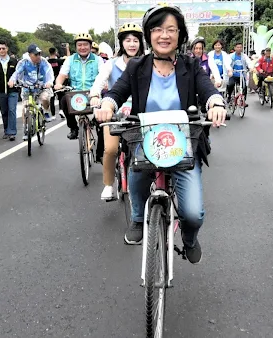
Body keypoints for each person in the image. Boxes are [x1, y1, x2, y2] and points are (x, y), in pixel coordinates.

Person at [95, 4, 226, 264]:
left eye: (170, 29)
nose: (164, 35)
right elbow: (117, 91)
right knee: (136, 174)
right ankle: (137, 218)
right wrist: (107, 105)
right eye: (157, 29)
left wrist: (216, 103)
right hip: (146, 140)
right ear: (149, 34)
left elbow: (207, 88)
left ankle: (189, 239)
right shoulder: (137, 66)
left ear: (180, 35)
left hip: (184, 145)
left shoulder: (190, 65)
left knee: (193, 213)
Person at [89, 23, 145, 201]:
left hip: (139, 114)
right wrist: (95, 96)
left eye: (135, 40)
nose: (132, 44)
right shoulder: (111, 64)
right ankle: (108, 185)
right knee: (111, 149)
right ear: (122, 44)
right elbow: (99, 82)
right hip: (114, 113)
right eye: (128, 40)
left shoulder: (147, 62)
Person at [54, 33, 104, 140]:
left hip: (93, 94)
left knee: (101, 123)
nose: (82, 47)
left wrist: (105, 85)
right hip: (75, 94)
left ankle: (100, 150)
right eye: (79, 45)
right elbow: (62, 75)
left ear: (90, 46)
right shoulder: (70, 59)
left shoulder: (98, 60)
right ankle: (73, 128)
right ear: (76, 47)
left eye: (85, 45)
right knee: (63, 101)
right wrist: (58, 83)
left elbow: (103, 75)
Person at [8, 44, 55, 140]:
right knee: (25, 107)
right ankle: (26, 128)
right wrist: (12, 80)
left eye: (39, 54)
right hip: (27, 87)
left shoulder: (43, 62)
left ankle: (46, 112)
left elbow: (49, 72)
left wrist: (49, 82)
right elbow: (17, 73)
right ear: (30, 55)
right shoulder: (24, 62)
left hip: (42, 86)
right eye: (36, 54)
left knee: (44, 98)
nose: (38, 56)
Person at [0, 40, 20, 141]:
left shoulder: (14, 62)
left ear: (7, 49)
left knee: (12, 110)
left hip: (13, 90)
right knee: (4, 111)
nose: (1, 50)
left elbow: (19, 74)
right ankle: (6, 130)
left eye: (3, 48)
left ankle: (12, 132)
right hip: (1, 91)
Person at [47, 47, 66, 120]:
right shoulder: (58, 61)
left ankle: (53, 114)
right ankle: (61, 110)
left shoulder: (47, 62)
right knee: (61, 96)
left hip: (50, 80)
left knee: (52, 97)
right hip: (58, 79)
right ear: (55, 52)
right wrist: (67, 49)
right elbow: (68, 58)